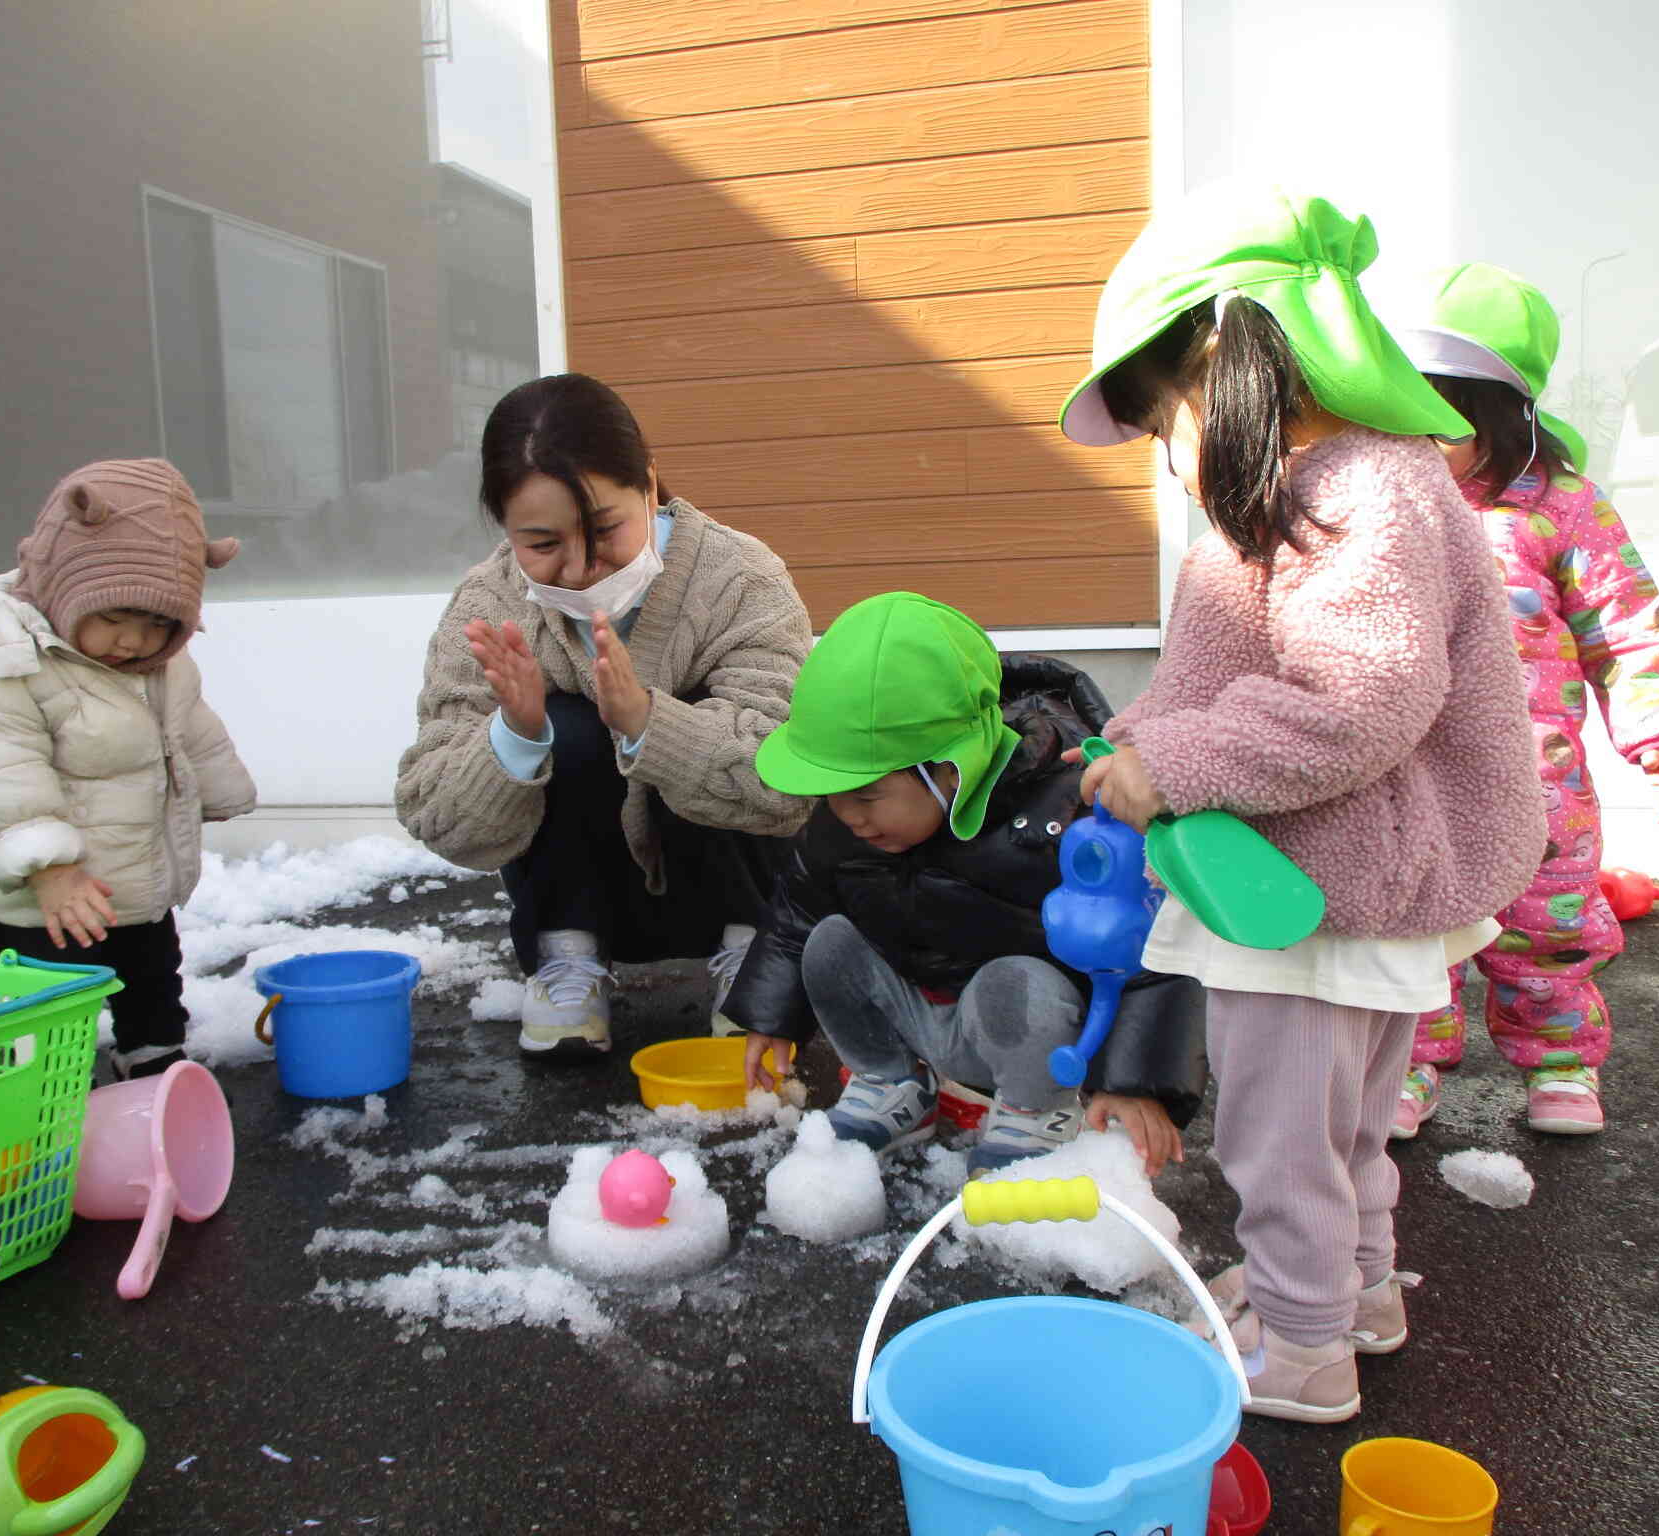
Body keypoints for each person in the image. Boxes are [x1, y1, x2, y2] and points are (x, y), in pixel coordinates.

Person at [1055, 186, 1541, 1421]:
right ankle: (1351, 1293)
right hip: (1339, 884)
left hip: (1316, 892)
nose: (1171, 456)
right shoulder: (1341, 486)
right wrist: (1139, 738)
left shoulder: (1348, 493)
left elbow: (1354, 697)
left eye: (1167, 419)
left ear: (1221, 362)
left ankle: (1305, 1347)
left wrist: (1174, 766)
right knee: (1342, 1132)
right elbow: (1222, 673)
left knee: (1279, 1140)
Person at [395, 374, 813, 1058]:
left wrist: (651, 720)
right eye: (542, 543)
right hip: (589, 885)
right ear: (505, 530)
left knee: (713, 722)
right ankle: (567, 956)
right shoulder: (487, 607)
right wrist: (515, 737)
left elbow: (792, 782)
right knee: (569, 728)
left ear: (649, 487)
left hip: (729, 881)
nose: (583, 568)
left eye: (605, 529)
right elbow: (436, 816)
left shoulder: (741, 580)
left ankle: (755, 954)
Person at [725, 591, 1206, 1176]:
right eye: (831, 791)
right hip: (920, 1008)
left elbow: (1146, 950)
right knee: (828, 942)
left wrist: (1136, 1082)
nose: (846, 814)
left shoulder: (1058, 820)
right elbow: (795, 914)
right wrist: (769, 1016)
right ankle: (891, 1082)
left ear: (948, 772)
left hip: (1028, 1037)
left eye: (866, 794)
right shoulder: (848, 827)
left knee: (1014, 981)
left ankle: (1036, 1113)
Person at [1385, 262, 1659, 1137]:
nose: (1423, 439)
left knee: (1548, 924)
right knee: (1421, 920)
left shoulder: (1561, 508)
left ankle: (1560, 1062)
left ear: (1500, 416)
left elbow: (1624, 618)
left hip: (1539, 779)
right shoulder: (1391, 505)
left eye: (1447, 421)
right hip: (1421, 769)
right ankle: (1408, 1065)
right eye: (1407, 413)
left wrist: (1656, 734)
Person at [0, 458, 256, 1080]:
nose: (134, 642)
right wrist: (48, 867)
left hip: (134, 878)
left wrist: (220, 786)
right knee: (47, 1007)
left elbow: (186, 722)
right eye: (113, 617)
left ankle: (155, 1070)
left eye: (158, 623)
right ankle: (42, 1101)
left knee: (152, 982)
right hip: (42, 897)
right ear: (61, 581)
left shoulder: (160, 662)